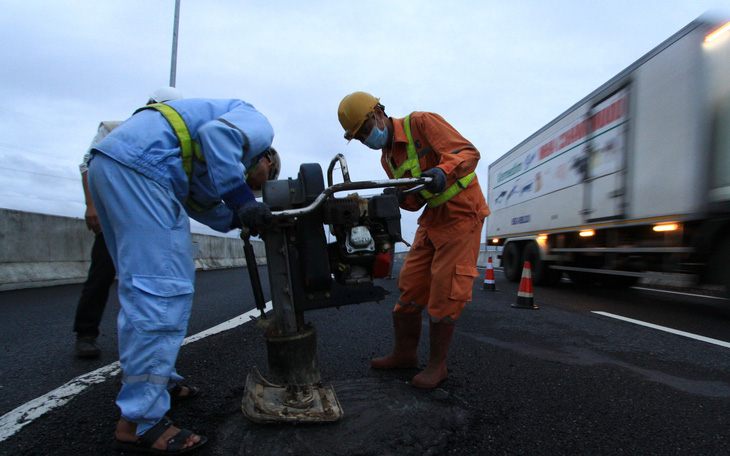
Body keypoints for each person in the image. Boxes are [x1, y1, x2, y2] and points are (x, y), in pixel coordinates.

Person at [87, 97, 280, 453]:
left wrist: (244, 217)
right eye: (265, 180)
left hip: (114, 164)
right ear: (266, 158)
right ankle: (141, 420)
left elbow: (203, 205)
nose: (260, 187)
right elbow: (218, 134)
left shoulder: (207, 163)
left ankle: (160, 384)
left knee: (140, 288)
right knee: (162, 292)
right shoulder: (257, 124)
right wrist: (242, 199)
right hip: (143, 169)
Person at [338, 92, 490, 389]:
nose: (367, 138)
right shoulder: (387, 158)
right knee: (409, 286)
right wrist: (398, 198)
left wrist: (442, 172)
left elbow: (468, 153)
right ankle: (405, 354)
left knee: (446, 292)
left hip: (462, 214)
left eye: (367, 129)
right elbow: (415, 202)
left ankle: (437, 366)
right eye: (359, 137)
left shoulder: (421, 122)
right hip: (433, 219)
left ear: (379, 112)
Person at [73, 87, 184, 359]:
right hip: (114, 215)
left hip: (146, 219)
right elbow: (88, 164)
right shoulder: (114, 129)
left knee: (151, 282)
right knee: (101, 273)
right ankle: (86, 334)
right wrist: (91, 205)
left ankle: (146, 348)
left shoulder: (170, 138)